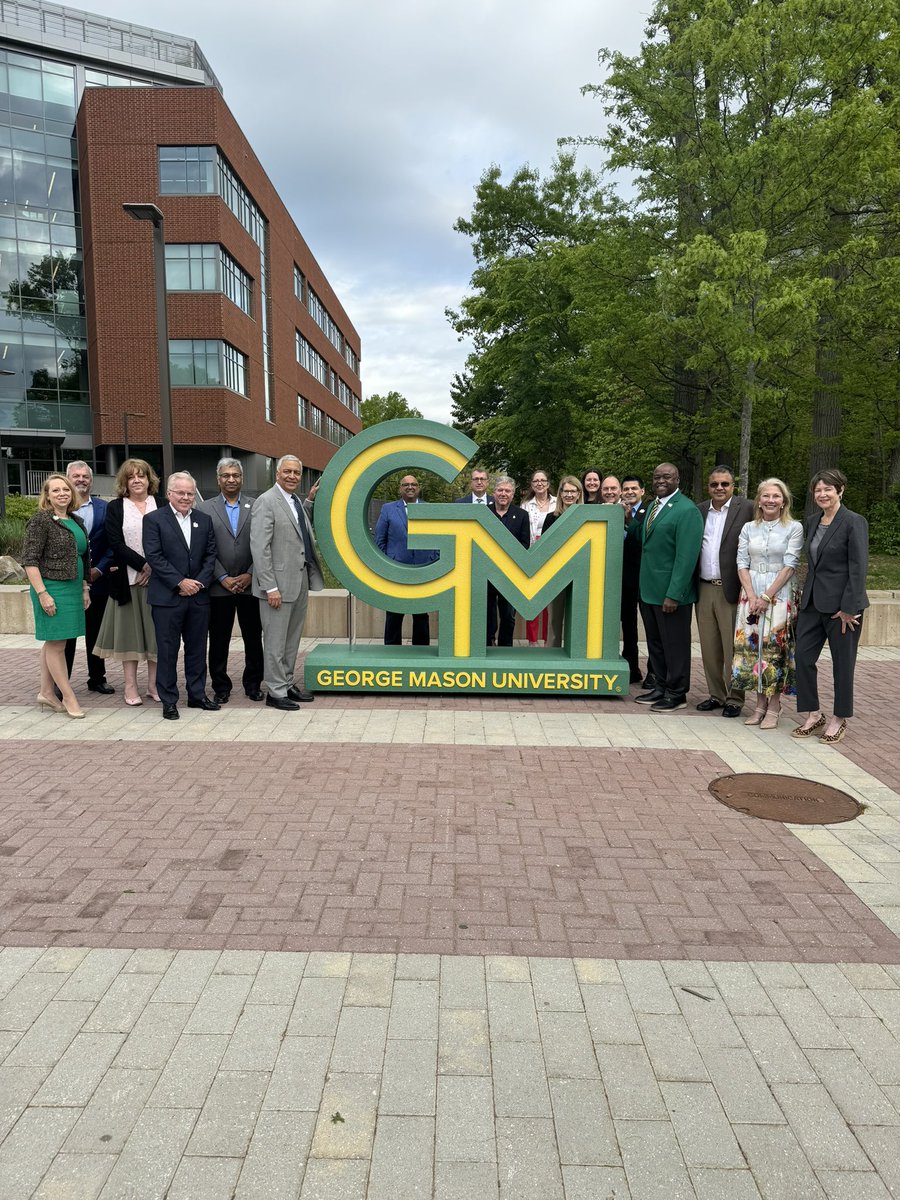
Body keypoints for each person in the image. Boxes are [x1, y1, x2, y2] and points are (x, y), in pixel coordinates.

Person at [792, 469, 868, 745]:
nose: (822, 494)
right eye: (818, 490)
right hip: (812, 604)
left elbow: (858, 567)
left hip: (842, 609)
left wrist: (850, 607)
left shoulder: (853, 522)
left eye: (828, 489)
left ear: (841, 491)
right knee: (802, 658)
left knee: (842, 665)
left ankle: (839, 718)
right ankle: (813, 714)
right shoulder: (812, 521)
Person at [142, 471, 219, 720]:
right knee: (167, 651)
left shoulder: (204, 520)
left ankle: (197, 695)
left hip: (198, 597)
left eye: (189, 493)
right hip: (167, 598)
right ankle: (169, 700)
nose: (186, 497)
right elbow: (154, 556)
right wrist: (179, 582)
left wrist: (198, 583)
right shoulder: (154, 519)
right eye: (180, 493)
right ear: (169, 494)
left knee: (197, 649)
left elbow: (210, 555)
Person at [251, 455, 325, 709]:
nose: (292, 476)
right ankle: (275, 692)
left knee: (291, 639)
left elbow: (297, 525)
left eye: (296, 472)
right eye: (288, 472)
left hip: (300, 580)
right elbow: (260, 548)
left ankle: (287, 683)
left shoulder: (293, 501)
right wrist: (270, 586)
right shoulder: (266, 501)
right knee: (275, 641)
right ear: (277, 474)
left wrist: (310, 501)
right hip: (277, 587)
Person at [732, 479, 803, 730]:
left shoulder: (793, 527)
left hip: (779, 593)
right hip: (750, 591)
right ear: (759, 500)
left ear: (784, 501)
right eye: (766, 496)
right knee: (752, 650)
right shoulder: (749, 528)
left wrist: (766, 597)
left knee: (774, 649)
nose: (771, 500)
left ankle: (774, 706)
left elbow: (790, 564)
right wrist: (751, 595)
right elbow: (741, 561)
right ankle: (758, 705)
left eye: (776, 496)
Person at [634, 463, 704, 712]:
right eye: (656, 477)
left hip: (671, 594)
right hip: (649, 591)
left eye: (667, 477)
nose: (661, 480)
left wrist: (674, 593)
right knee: (655, 643)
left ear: (677, 479)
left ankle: (677, 692)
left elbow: (686, 557)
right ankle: (661, 686)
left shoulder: (687, 510)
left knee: (675, 644)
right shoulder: (653, 506)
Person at [21, 473, 90, 719]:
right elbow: (29, 560)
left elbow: (82, 557)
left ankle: (46, 692)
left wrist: (84, 588)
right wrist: (43, 594)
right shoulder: (41, 521)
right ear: (47, 496)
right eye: (56, 490)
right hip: (51, 588)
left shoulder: (75, 520)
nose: (62, 494)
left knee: (54, 642)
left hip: (72, 588)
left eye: (66, 490)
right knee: (57, 644)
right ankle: (68, 695)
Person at [93, 458, 160, 705]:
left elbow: (169, 540)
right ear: (124, 482)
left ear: (148, 479)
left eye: (141, 475)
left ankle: (155, 684)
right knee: (129, 638)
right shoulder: (116, 508)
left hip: (158, 582)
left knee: (157, 636)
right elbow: (115, 543)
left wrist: (153, 567)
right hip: (127, 581)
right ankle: (130, 686)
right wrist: (142, 564)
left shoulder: (160, 504)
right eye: (131, 477)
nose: (137, 480)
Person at [198, 458, 265, 704]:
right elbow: (203, 548)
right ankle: (221, 686)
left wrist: (250, 573)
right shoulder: (204, 509)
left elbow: (263, 544)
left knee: (253, 638)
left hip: (250, 585)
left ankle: (253, 684)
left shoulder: (256, 506)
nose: (231, 479)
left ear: (242, 478)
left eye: (235, 475)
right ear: (218, 479)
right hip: (219, 587)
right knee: (218, 639)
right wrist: (222, 576)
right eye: (226, 475)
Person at [695, 466, 755, 718]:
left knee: (733, 649)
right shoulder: (699, 511)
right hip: (704, 587)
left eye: (725, 484)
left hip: (732, 588)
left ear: (733, 486)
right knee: (709, 648)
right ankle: (716, 695)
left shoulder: (748, 508)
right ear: (708, 487)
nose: (719, 488)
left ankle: (735, 698)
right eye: (714, 484)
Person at [62, 461, 114, 695]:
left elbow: (113, 545)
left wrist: (100, 569)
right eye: (76, 476)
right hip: (68, 584)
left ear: (91, 481)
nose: (81, 479)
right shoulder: (59, 510)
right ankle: (61, 682)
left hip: (98, 582)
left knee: (96, 633)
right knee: (67, 634)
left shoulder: (106, 508)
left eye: (85, 476)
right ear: (67, 479)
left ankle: (97, 678)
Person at [374, 474, 438, 646]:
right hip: (396, 570)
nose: (410, 487)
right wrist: (387, 563)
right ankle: (392, 651)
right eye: (406, 484)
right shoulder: (388, 508)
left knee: (421, 614)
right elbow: (380, 539)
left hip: (423, 570)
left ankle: (421, 651)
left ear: (419, 487)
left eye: (414, 484)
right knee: (394, 612)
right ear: (400, 488)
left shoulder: (429, 509)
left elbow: (439, 537)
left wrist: (434, 559)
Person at [486, 475, 531, 646]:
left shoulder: (521, 515)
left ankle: (505, 649)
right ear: (494, 492)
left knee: (507, 616)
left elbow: (524, 544)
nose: (503, 494)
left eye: (507, 491)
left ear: (513, 494)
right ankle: (487, 647)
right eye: (500, 490)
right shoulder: (483, 513)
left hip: (510, 575)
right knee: (487, 616)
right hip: (487, 574)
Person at [542, 476, 583, 647]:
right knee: (555, 620)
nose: (569, 495)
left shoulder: (586, 517)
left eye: (573, 491)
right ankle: (551, 654)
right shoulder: (551, 518)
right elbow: (544, 547)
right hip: (557, 575)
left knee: (579, 618)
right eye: (565, 491)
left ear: (579, 493)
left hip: (580, 574)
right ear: (560, 493)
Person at [522, 469, 556, 646]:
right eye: (536, 481)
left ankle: (547, 640)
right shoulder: (526, 505)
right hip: (532, 556)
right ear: (532, 485)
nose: (539, 483)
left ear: (548, 484)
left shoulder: (558, 503)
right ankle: (532, 641)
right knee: (532, 600)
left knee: (550, 602)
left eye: (543, 480)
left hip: (553, 557)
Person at [621, 475, 647, 684]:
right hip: (622, 580)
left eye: (634, 488)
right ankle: (631, 668)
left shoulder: (649, 513)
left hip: (644, 577)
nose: (630, 492)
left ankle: (652, 673)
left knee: (649, 625)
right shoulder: (616, 512)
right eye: (626, 489)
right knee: (628, 626)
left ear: (642, 491)